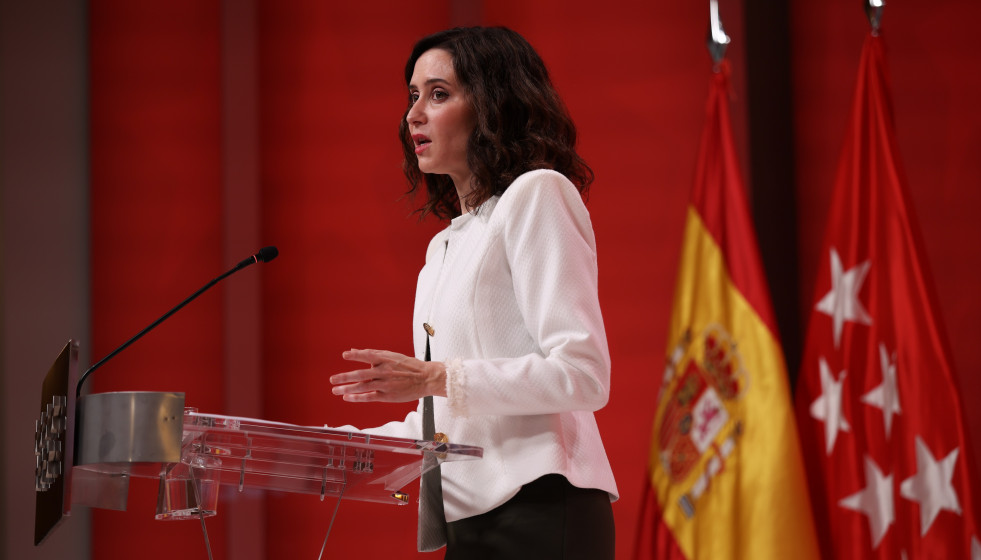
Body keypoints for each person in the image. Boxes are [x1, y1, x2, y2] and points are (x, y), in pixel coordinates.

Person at [329, 26, 617, 560]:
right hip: (469, 522)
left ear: (492, 106)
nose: (414, 114)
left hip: (540, 507)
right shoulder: (442, 248)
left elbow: (583, 373)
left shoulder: (537, 194)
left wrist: (436, 377)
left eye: (438, 94)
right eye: (413, 96)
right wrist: (334, 448)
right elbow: (446, 415)